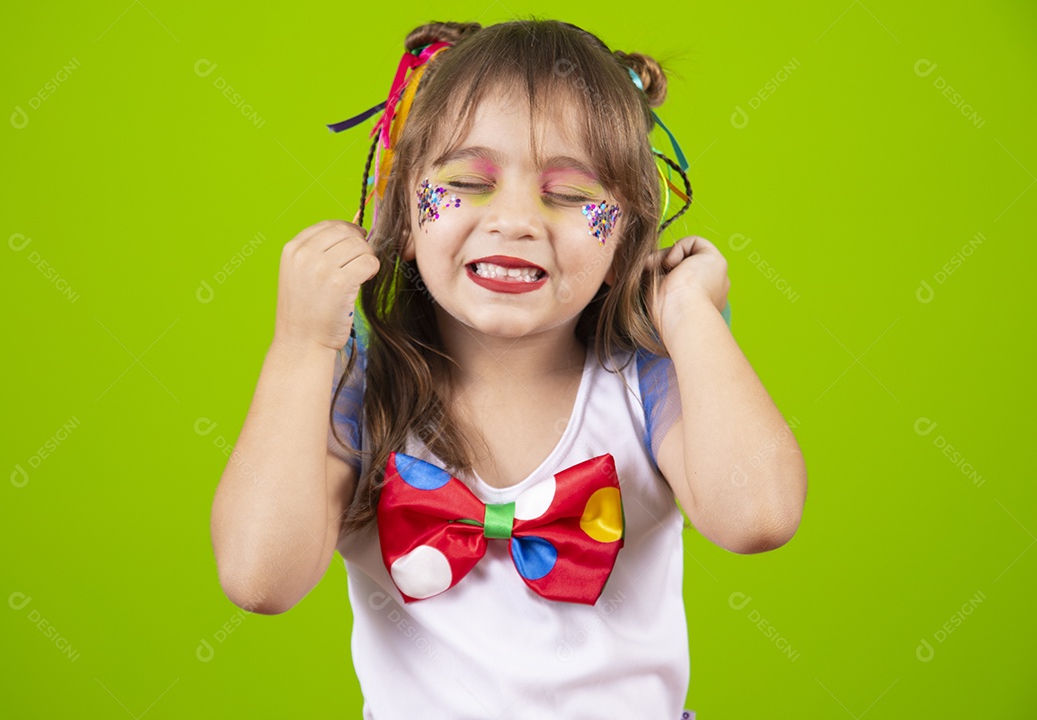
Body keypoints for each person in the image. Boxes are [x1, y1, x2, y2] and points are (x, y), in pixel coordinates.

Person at [210, 18, 807, 719]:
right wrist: (301, 347)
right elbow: (258, 578)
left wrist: (690, 316)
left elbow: (759, 517)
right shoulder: (359, 393)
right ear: (404, 211)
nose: (517, 218)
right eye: (468, 180)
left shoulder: (646, 380)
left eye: (572, 194)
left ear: (624, 238)